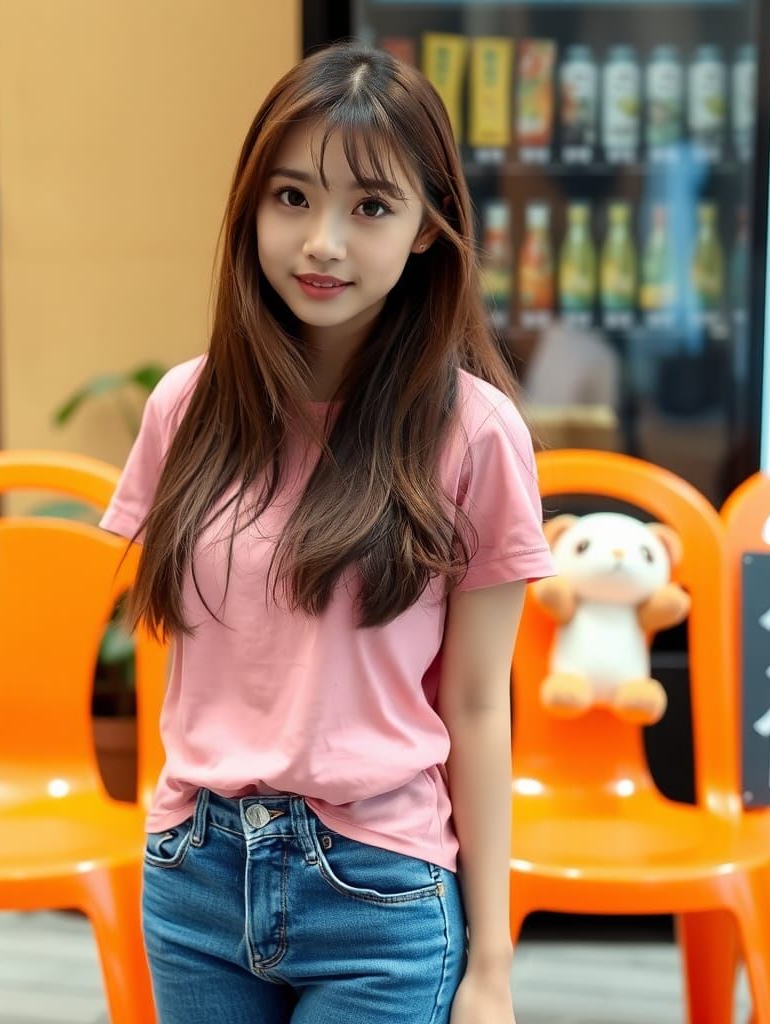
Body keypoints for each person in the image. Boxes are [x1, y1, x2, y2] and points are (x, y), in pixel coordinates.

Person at [99, 40, 556, 1024]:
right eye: (293, 198)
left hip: (380, 885)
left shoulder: (476, 434)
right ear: (251, 208)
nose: (324, 243)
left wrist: (493, 966)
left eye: (371, 208)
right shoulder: (187, 408)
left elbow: (478, 707)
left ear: (429, 230)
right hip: (195, 875)